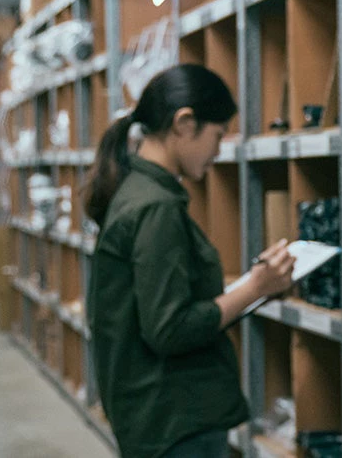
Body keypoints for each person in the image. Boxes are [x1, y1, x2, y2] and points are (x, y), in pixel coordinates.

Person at [84, 64, 295, 458]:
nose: (218, 151)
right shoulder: (155, 206)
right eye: (217, 136)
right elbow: (169, 328)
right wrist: (256, 287)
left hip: (157, 415)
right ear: (184, 123)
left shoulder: (139, 192)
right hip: (172, 419)